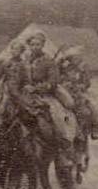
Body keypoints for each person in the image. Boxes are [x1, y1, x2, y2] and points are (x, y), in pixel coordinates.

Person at [8, 30, 77, 162]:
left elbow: (53, 81)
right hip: (25, 97)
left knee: (56, 115)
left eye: (38, 44)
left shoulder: (49, 62)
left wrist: (36, 88)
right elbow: (16, 80)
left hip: (46, 96)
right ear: (29, 46)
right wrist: (16, 93)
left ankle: (64, 144)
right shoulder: (24, 63)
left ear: (42, 45)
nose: (35, 47)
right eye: (32, 44)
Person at [59, 49, 98, 139]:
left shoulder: (82, 68)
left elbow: (87, 82)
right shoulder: (64, 68)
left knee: (91, 108)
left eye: (76, 58)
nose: (75, 60)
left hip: (79, 92)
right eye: (72, 58)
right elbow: (59, 78)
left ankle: (94, 127)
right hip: (65, 91)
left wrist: (80, 86)